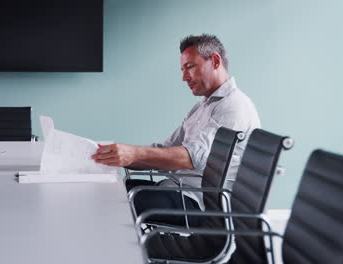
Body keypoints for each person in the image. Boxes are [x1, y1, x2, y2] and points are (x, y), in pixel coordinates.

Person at [92, 34, 260, 225]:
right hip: (177, 190)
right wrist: (116, 156)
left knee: (112, 202)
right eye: (182, 69)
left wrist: (134, 153)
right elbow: (166, 149)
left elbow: (191, 158)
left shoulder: (233, 106)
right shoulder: (203, 106)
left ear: (214, 61)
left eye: (190, 67)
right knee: (108, 190)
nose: (183, 77)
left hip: (199, 202)